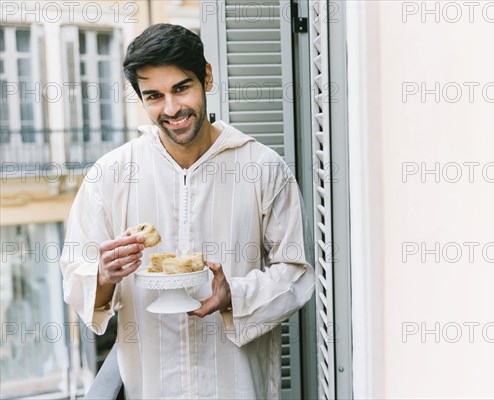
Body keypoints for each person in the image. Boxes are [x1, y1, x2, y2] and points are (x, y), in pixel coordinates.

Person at [60, 23, 315, 399]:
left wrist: (235, 295)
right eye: (154, 96)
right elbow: (75, 276)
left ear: (207, 77)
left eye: (181, 88)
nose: (172, 108)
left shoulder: (263, 168)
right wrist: (104, 275)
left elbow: (295, 273)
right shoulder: (110, 175)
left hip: (238, 387)